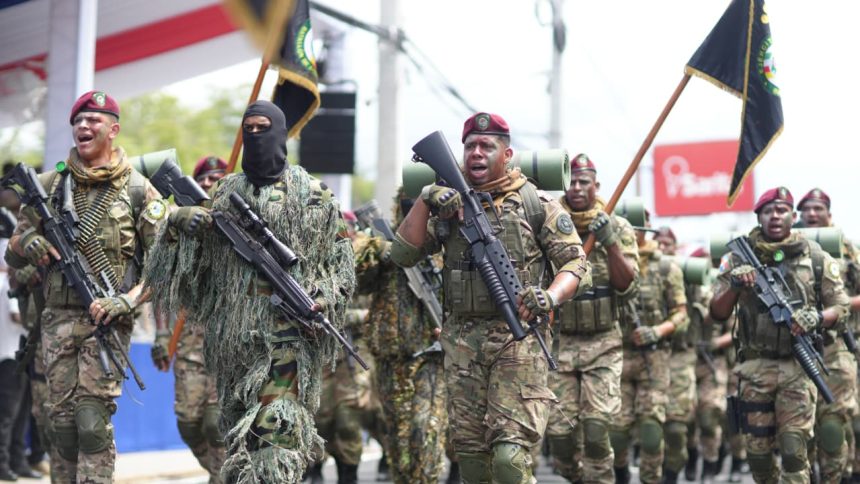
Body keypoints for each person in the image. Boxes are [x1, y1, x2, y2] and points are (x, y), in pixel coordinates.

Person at [143, 100, 355, 483]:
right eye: (249, 129)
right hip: (231, 351)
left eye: (264, 128)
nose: (256, 136)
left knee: (274, 451)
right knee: (240, 453)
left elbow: (340, 267)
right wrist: (177, 226)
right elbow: (187, 272)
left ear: (281, 133)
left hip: (287, 346)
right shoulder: (224, 194)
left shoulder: (314, 195)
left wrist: (321, 298)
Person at [391, 112, 590, 484]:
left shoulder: (536, 204)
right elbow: (402, 254)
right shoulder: (447, 205)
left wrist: (549, 296)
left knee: (509, 459)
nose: (477, 153)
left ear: (507, 154)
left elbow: (576, 263)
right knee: (472, 462)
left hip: (519, 341)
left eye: (487, 146)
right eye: (470, 146)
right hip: (462, 343)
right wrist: (425, 199)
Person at [5, 90, 168, 483]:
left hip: (107, 321)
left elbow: (162, 267)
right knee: (60, 425)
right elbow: (13, 251)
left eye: (94, 120)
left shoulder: (138, 189)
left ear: (113, 130)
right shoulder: (48, 185)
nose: (83, 125)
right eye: (78, 120)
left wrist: (127, 301)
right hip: (56, 320)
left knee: (91, 421)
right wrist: (30, 242)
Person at [710, 187, 850, 483]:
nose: (775, 216)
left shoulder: (816, 256)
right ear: (758, 217)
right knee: (758, 457)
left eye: (782, 210)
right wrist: (735, 286)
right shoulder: (736, 258)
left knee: (793, 450)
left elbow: (842, 307)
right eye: (768, 211)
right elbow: (717, 312)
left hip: (797, 367)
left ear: (792, 216)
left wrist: (816, 318)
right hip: (755, 368)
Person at [544, 154, 639, 483]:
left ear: (596, 186)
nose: (576, 187)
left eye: (583, 181)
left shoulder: (618, 226)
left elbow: (628, 287)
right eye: (571, 181)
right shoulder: (549, 222)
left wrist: (610, 242)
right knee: (560, 438)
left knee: (597, 431)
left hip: (603, 344)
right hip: (559, 344)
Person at [353, 190, 448, 484]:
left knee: (424, 433)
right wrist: (379, 251)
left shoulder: (444, 243)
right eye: (409, 205)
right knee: (397, 441)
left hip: (431, 357)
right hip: (391, 360)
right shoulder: (384, 242)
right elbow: (357, 281)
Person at [150, 155, 228, 483]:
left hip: (227, 343)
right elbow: (160, 283)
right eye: (203, 178)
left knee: (216, 424)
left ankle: (222, 477)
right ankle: (222, 473)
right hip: (189, 343)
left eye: (216, 178)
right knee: (188, 423)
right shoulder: (180, 226)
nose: (208, 183)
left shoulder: (234, 224)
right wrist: (161, 334)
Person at [610, 217, 687, 484]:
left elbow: (681, 314)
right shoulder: (607, 260)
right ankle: (621, 473)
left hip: (654, 359)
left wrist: (657, 331)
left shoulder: (666, 267)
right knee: (616, 432)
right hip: (617, 357)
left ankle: (651, 479)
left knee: (651, 430)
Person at [796, 188, 859, 484]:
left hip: (837, 345)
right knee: (801, 428)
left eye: (818, 208)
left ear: (828, 214)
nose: (812, 214)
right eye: (806, 209)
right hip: (797, 349)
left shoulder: (846, 249)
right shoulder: (788, 245)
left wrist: (833, 309)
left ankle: (843, 475)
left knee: (835, 422)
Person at [309, 210, 374, 484]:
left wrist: (349, 317)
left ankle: (349, 473)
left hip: (353, 350)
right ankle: (315, 468)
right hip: (320, 352)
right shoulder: (314, 261)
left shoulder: (365, 262)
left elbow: (373, 310)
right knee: (319, 418)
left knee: (348, 419)